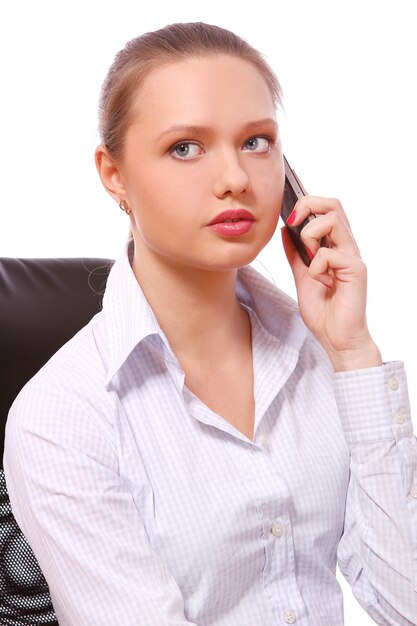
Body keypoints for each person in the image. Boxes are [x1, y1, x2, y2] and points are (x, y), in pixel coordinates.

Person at [4, 21, 417, 626]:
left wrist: (352, 352)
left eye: (256, 142)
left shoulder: (315, 356)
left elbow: (405, 601)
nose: (235, 179)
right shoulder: (64, 415)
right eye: (185, 147)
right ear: (113, 173)